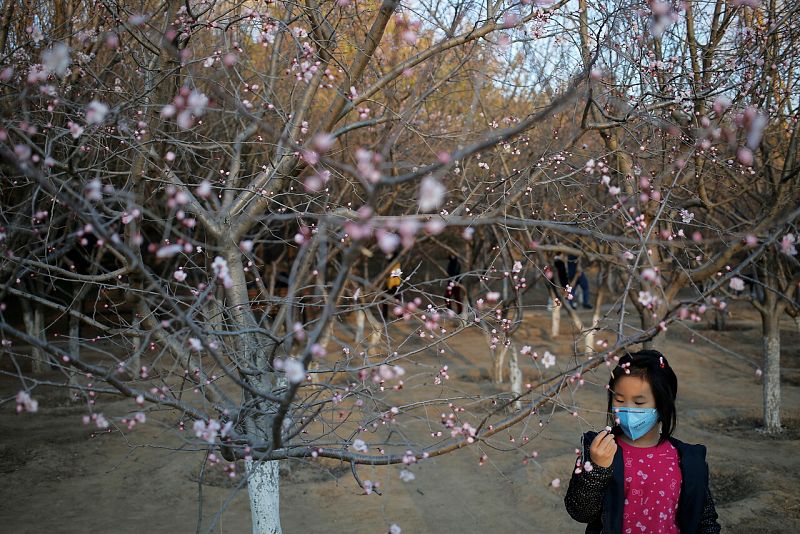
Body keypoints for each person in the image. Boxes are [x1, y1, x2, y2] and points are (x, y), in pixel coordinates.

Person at [564, 350, 721, 534]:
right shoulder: (600, 449)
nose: (628, 410)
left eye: (639, 403)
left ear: (663, 405)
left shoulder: (687, 460)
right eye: (619, 400)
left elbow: (705, 519)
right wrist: (598, 468)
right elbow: (581, 513)